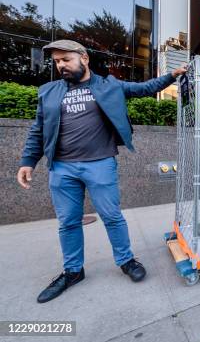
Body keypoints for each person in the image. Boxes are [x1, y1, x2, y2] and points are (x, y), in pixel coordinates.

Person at [17, 40, 187, 303]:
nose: (61, 65)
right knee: (68, 222)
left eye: (66, 60)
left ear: (83, 58)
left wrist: (171, 75)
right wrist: (28, 161)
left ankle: (126, 260)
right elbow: (38, 130)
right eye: (57, 61)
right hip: (61, 168)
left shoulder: (109, 85)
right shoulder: (48, 92)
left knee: (112, 216)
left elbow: (145, 88)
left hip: (100, 163)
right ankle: (73, 271)